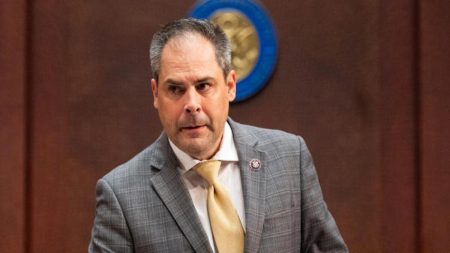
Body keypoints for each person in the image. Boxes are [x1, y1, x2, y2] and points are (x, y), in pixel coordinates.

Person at [88, 18, 348, 253]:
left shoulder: (289, 159)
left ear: (230, 86)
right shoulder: (121, 195)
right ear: (156, 94)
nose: (192, 104)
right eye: (175, 89)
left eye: (204, 86)